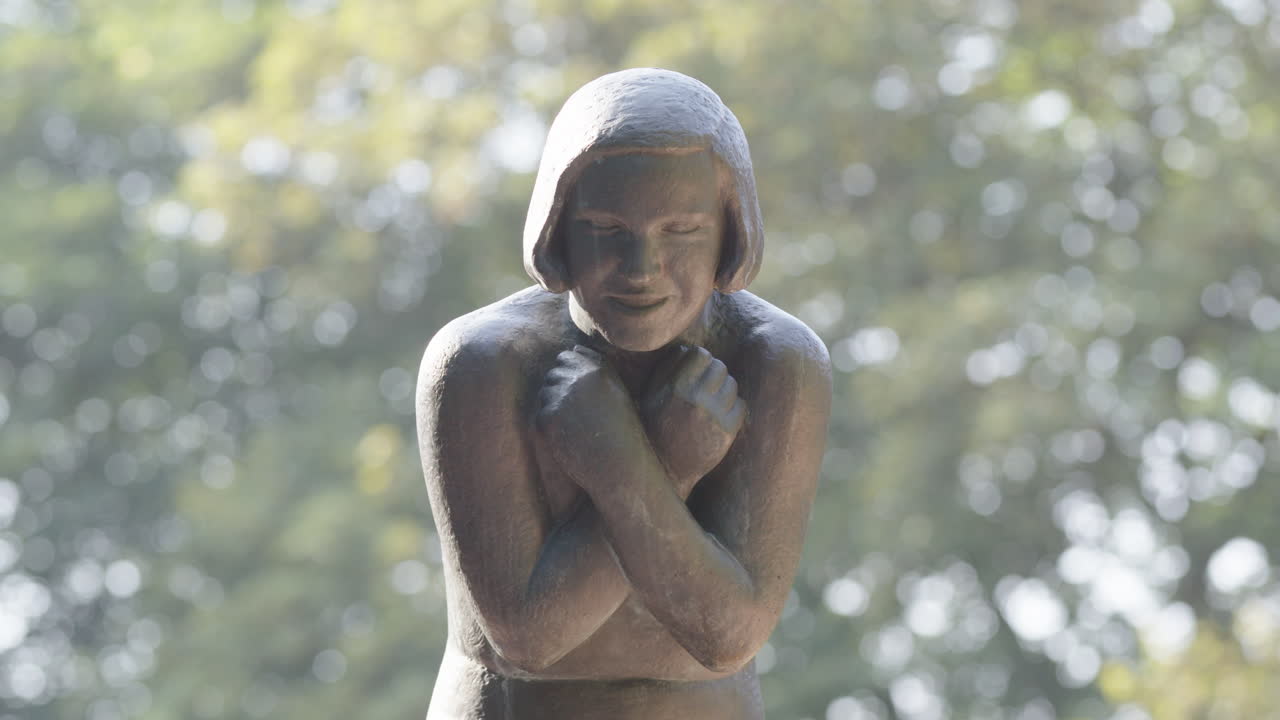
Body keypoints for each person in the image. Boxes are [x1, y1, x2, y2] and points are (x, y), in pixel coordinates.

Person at [416, 68, 831, 719]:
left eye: (681, 231)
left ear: (731, 229)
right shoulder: (483, 363)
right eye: (607, 229)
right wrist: (665, 461)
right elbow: (529, 637)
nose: (642, 270)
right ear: (557, 229)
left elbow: (728, 634)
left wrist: (623, 465)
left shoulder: (775, 362)